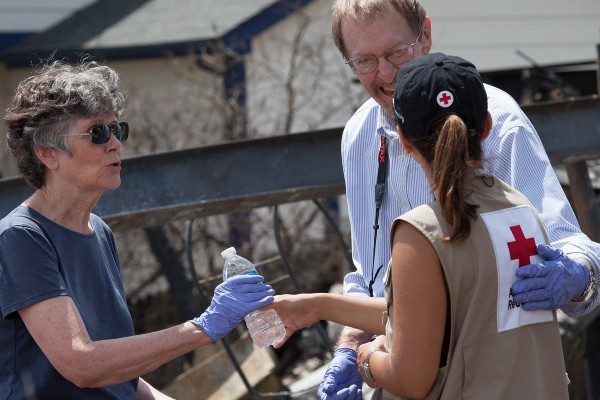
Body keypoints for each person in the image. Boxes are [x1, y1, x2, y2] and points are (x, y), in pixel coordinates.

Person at [324, 0, 600, 398]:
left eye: (395, 52)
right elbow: (368, 275)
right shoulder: (358, 135)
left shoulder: (497, 118)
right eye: (365, 61)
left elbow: (567, 244)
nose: (384, 74)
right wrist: (349, 348)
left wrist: (578, 274)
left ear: (426, 36)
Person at [271, 52, 570, 399]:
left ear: (404, 139)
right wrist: (315, 306)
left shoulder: (421, 233)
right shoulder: (522, 210)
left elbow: (412, 378)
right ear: (487, 126)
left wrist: (367, 358)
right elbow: (433, 311)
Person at [0, 61, 274, 399]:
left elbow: (116, 375)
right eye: (97, 133)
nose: (115, 144)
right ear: (47, 154)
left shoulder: (98, 231)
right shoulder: (21, 237)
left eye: (119, 130)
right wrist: (204, 326)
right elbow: (82, 365)